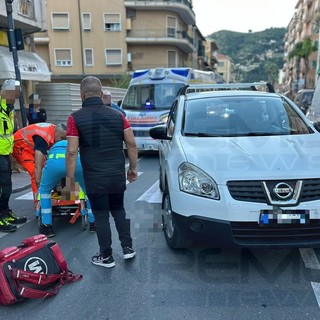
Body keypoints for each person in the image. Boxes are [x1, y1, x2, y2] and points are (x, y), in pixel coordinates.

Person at [66, 76, 138, 268]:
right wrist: (132, 168)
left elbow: (72, 151)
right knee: (119, 210)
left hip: (94, 176)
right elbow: (131, 143)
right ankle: (128, 249)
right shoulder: (118, 116)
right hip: (116, 174)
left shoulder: (75, 118)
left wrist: (70, 179)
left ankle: (106, 256)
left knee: (100, 215)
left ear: (82, 94)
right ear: (100, 94)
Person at [38, 139, 95, 237]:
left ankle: (47, 226)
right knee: (88, 191)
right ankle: (93, 223)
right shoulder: (76, 142)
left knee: (44, 191)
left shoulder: (53, 146)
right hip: (76, 163)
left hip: (54, 164)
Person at [12, 122, 67, 204]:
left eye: (65, 139)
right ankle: (38, 203)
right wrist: (39, 185)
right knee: (36, 173)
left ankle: (63, 195)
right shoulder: (43, 138)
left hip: (30, 145)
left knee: (49, 166)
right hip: (20, 147)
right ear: (56, 133)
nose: (63, 141)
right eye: (62, 138)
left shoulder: (55, 131)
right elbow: (38, 166)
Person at [0, 79, 27, 232]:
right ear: (5, 91)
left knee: (6, 186)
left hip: (5, 153)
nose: (15, 98)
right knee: (3, 186)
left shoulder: (9, 109)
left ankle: (5, 212)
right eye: (14, 95)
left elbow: (8, 134)